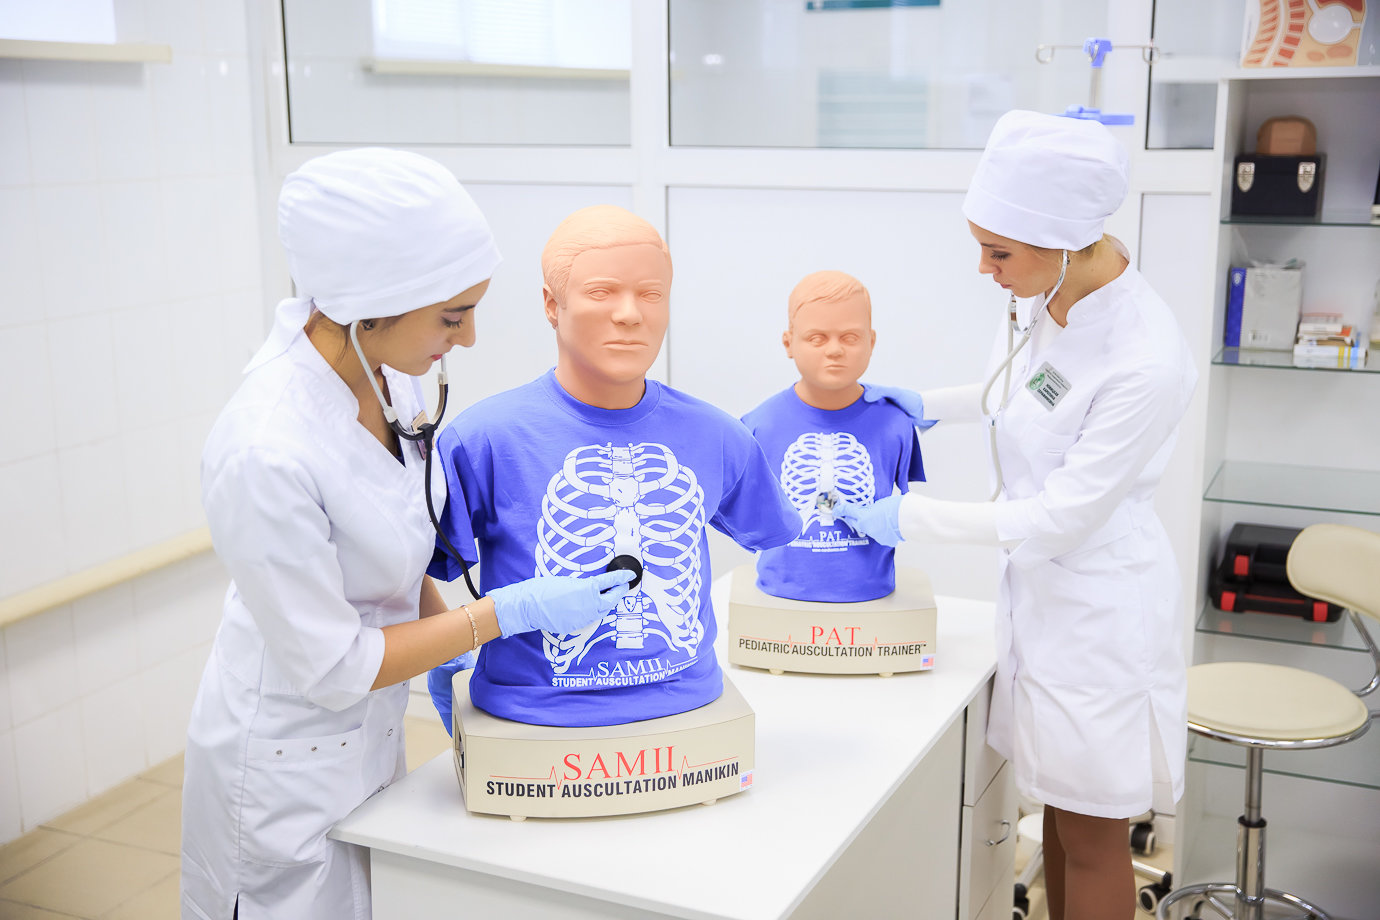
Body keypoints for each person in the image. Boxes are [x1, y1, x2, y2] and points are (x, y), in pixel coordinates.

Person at [180, 149, 635, 920]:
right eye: (452, 317)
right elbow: (334, 666)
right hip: (285, 765)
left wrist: (446, 635)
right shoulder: (263, 449)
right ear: (369, 307)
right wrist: (498, 616)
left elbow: (389, 536)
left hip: (366, 739)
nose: (470, 338)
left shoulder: (389, 374)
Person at [837, 111, 1197, 920]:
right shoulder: (1056, 293)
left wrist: (909, 518)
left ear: (1062, 239)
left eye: (998, 252)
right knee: (1060, 821)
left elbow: (1061, 517)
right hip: (1043, 597)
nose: (983, 268)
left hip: (1101, 617)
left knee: (1094, 836)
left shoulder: (1145, 357)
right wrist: (927, 402)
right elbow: (1027, 393)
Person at [425, 204, 800, 729]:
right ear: (552, 305)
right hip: (536, 721)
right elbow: (406, 582)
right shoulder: (482, 440)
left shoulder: (719, 436)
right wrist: (451, 644)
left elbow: (776, 538)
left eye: (651, 294)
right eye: (602, 292)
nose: (630, 314)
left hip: (690, 714)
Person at [740, 270, 926, 602]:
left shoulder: (897, 424)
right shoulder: (756, 426)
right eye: (817, 338)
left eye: (850, 337)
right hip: (779, 599)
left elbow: (908, 507)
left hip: (873, 597)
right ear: (788, 343)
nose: (835, 350)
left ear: (872, 342)